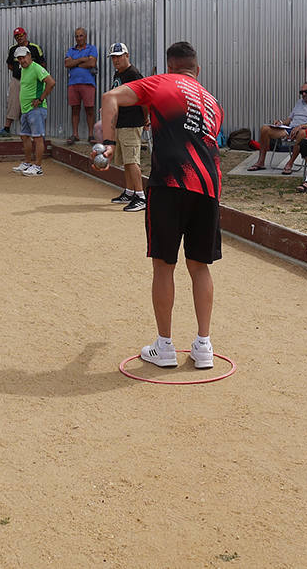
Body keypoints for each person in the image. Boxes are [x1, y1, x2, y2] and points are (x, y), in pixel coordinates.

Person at [98, 41, 224, 370]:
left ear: (170, 67)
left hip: (169, 183)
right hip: (209, 187)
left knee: (164, 265)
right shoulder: (213, 103)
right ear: (197, 70)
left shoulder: (159, 82)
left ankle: (165, 346)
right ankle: (204, 345)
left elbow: (110, 98)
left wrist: (109, 144)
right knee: (200, 266)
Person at [106, 42, 149, 212]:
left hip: (132, 122)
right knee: (125, 160)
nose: (116, 60)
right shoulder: (119, 73)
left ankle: (140, 196)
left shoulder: (133, 74)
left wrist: (145, 119)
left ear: (127, 55)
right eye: (113, 57)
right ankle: (129, 191)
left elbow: (144, 98)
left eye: (119, 56)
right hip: (121, 122)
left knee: (132, 160)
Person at [246, 81, 307, 173]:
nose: (304, 94)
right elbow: (290, 119)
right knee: (264, 129)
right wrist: (280, 122)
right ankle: (261, 162)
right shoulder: (299, 102)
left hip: (306, 130)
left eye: (306, 91)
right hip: (290, 129)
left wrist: (301, 126)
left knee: (301, 133)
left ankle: (290, 163)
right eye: (301, 92)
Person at [0, 28, 45, 138]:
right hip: (17, 80)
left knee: (33, 105)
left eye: (21, 35)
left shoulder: (34, 48)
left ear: (25, 35)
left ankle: (37, 133)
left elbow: (43, 64)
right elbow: (10, 65)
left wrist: (32, 74)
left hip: (32, 82)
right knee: (12, 103)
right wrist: (18, 72)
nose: (19, 37)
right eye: (17, 36)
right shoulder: (13, 49)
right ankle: (6, 129)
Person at [13, 46, 55, 176]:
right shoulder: (23, 69)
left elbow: (51, 82)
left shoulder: (36, 68)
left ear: (29, 55)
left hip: (36, 109)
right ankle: (27, 162)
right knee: (25, 136)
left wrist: (40, 99)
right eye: (19, 58)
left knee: (37, 137)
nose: (22, 60)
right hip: (26, 109)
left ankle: (38, 167)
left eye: (23, 57)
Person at [64, 27, 99, 144]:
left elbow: (92, 63)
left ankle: (90, 135)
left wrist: (75, 63)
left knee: (89, 109)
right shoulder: (71, 50)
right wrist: (82, 59)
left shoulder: (92, 48)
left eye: (81, 36)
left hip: (88, 83)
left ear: (85, 36)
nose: (79, 38)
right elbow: (67, 63)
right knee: (75, 109)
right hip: (73, 84)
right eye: (77, 36)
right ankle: (75, 134)